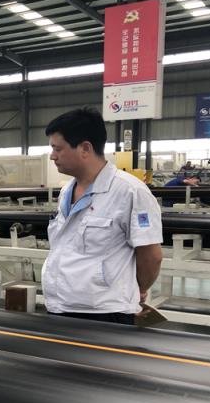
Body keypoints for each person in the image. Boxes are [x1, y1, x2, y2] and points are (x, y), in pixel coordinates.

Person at [42, 107, 163, 325]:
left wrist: (137, 289)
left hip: (104, 312)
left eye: (57, 148)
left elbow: (151, 256)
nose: (52, 156)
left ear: (85, 148)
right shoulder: (66, 191)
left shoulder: (130, 192)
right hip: (60, 305)